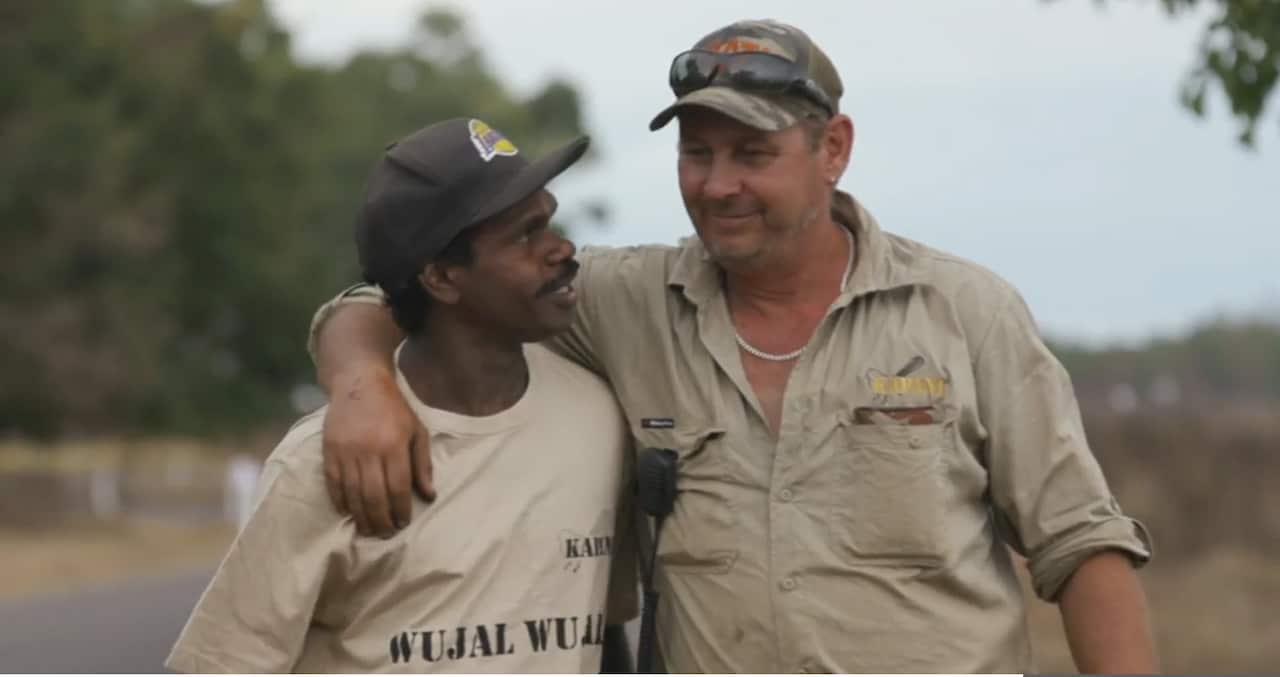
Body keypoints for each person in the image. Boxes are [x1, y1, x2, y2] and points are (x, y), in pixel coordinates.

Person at [308, 20, 1158, 674]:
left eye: (753, 153)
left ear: (834, 149)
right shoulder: (624, 302)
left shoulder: (964, 311)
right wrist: (360, 383)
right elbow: (417, 293)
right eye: (696, 153)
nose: (717, 186)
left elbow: (1081, 544)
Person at [166, 118, 637, 673]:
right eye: (525, 235)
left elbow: (600, 632)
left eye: (550, 222)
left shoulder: (598, 419)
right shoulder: (324, 461)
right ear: (440, 278)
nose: (561, 248)